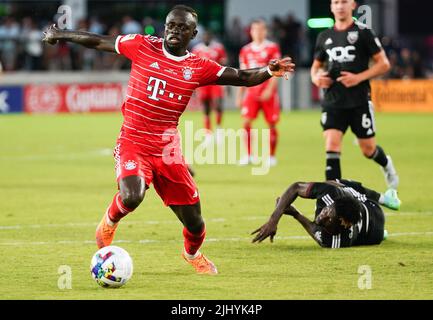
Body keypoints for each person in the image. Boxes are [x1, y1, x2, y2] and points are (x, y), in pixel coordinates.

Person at [42, 5, 294, 275]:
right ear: (165, 26)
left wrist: (269, 71)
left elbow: (242, 77)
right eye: (171, 25)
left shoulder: (198, 66)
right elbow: (98, 41)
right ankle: (108, 223)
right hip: (133, 139)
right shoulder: (141, 45)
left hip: (167, 149)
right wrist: (62, 33)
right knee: (132, 195)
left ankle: (192, 254)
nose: (174, 30)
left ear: (193, 33)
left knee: (195, 224)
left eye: (182, 27)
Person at [310, 0, 399, 189]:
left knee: (368, 149)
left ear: (352, 5)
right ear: (331, 7)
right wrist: (317, 78)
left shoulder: (363, 32)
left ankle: (386, 164)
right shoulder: (324, 36)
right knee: (332, 145)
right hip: (333, 100)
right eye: (336, 2)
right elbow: (315, 68)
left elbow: (384, 64)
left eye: (344, 1)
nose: (340, 5)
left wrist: (358, 78)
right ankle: (334, 196)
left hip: (359, 100)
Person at [252, 179, 401, 248]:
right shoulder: (330, 196)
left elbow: (316, 232)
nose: (322, 215)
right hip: (361, 203)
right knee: (341, 185)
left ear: (342, 223)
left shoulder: (339, 239)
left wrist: (296, 214)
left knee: (380, 234)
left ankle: (384, 227)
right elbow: (296, 187)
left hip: (374, 227)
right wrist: (273, 220)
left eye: (329, 216)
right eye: (327, 209)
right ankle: (386, 198)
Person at [237, 19, 282, 166]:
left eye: (261, 29)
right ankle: (248, 155)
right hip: (251, 93)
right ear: (251, 32)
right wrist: (240, 94)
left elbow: (277, 71)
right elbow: (242, 74)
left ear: (265, 31)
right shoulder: (245, 50)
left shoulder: (272, 48)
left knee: (271, 124)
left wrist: (270, 89)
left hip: (268, 92)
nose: (258, 32)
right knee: (246, 121)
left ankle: (272, 156)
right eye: (255, 29)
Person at [191, 30, 227, 144]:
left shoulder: (218, 48)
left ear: (211, 37)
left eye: (208, 36)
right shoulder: (197, 49)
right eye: (204, 36)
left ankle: (219, 129)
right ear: (202, 38)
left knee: (218, 105)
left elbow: (224, 65)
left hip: (216, 81)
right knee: (206, 109)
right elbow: (193, 67)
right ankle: (208, 134)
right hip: (203, 83)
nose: (206, 38)